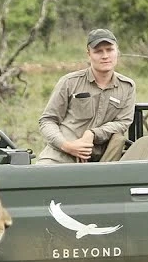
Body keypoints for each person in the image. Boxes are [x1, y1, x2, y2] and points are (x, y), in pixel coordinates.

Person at [37, 28, 136, 164]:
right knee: (41, 179)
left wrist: (93, 134)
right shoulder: (70, 82)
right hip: (60, 156)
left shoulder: (127, 86)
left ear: (117, 51)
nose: (105, 56)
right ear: (89, 54)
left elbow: (123, 123)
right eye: (98, 51)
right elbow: (47, 120)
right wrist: (67, 146)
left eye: (109, 50)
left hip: (100, 161)